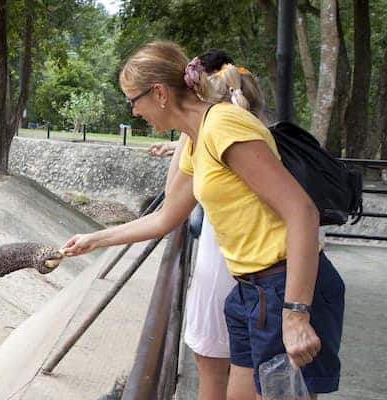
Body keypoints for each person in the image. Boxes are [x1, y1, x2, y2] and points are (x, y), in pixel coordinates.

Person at [62, 41, 345, 398]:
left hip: (285, 286)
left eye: (133, 100)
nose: (134, 111)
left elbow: (301, 211)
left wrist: (296, 313)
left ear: (160, 93)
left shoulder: (223, 126)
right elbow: (167, 217)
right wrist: (95, 239)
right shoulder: (196, 139)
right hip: (249, 290)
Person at [147, 49, 248, 400]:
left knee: (217, 366)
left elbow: (169, 205)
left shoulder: (213, 129)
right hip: (256, 275)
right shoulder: (240, 121)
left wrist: (184, 139)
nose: (134, 110)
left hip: (233, 266)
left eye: (136, 100)